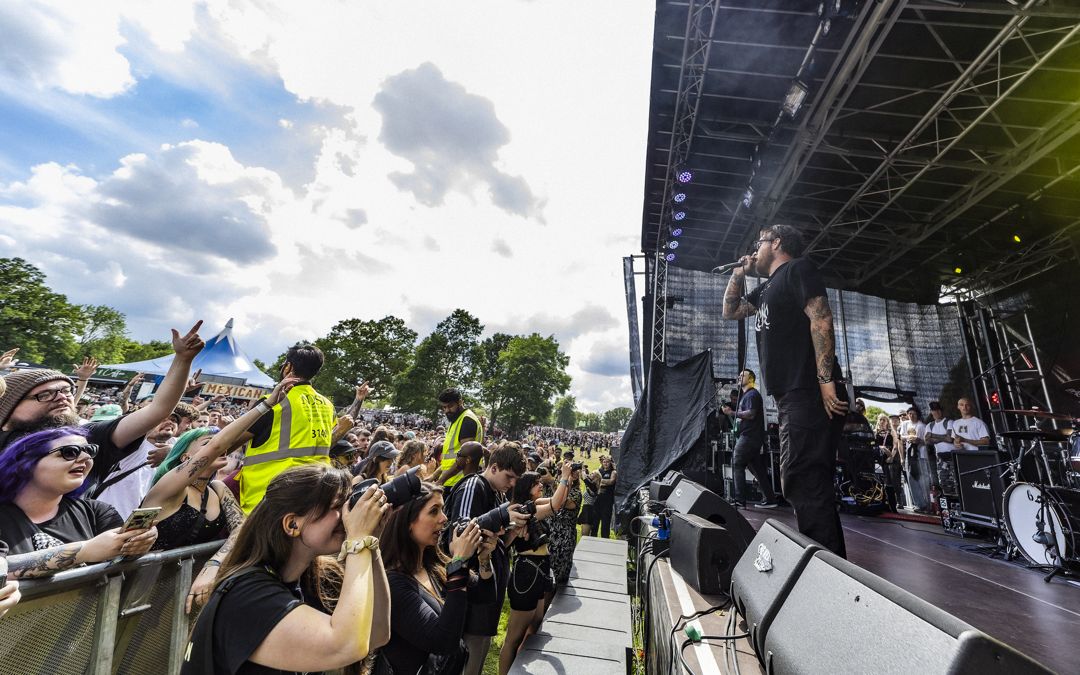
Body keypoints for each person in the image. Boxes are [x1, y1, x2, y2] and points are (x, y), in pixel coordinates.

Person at [181, 465, 391, 674]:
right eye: (337, 506)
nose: (347, 515)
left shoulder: (313, 578)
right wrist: (358, 540)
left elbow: (377, 632)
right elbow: (345, 647)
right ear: (292, 524)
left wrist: (370, 544)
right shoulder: (247, 596)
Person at [722, 223, 848, 557]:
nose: (755, 248)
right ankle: (828, 563)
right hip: (791, 395)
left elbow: (820, 320)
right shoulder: (765, 289)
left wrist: (825, 382)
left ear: (776, 243)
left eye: (758, 242)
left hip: (807, 389)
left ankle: (827, 569)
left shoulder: (797, 269)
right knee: (800, 477)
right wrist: (739, 272)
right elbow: (730, 310)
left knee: (803, 476)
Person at [0, 322, 206, 495]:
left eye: (66, 390)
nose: (62, 396)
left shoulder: (88, 439)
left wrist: (182, 359)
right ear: (9, 407)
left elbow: (157, 410)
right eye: (44, 394)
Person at [379, 484, 497, 675]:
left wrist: (484, 558)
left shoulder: (433, 565)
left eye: (442, 510)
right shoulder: (394, 583)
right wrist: (459, 561)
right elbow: (443, 641)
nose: (444, 519)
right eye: (434, 511)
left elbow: (485, 595)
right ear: (408, 521)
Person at [0, 427, 158, 568]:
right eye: (70, 452)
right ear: (25, 463)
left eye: (90, 451)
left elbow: (120, 563)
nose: (86, 458)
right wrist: (83, 552)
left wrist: (139, 542)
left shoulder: (97, 512)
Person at [442, 442, 529, 675]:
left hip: (485, 595)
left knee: (476, 660)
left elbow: (495, 541)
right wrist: (500, 515)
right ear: (493, 467)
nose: (512, 484)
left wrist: (510, 531)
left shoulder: (497, 493)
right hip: (470, 597)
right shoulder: (474, 485)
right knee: (465, 662)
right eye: (509, 476)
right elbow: (459, 531)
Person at [231, 342, 338, 514]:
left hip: (267, 500)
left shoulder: (273, 402)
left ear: (288, 367)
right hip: (310, 498)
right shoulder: (328, 405)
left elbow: (228, 445)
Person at [499, 466, 571, 675]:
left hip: (540, 569)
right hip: (526, 573)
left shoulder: (532, 504)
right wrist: (563, 476)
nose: (541, 485)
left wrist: (568, 481)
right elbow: (555, 504)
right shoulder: (521, 510)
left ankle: (520, 667)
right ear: (527, 488)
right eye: (537, 483)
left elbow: (558, 504)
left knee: (535, 624)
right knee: (514, 637)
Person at [723, 368, 778, 508]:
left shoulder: (752, 394)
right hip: (752, 437)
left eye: (743, 375)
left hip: (749, 437)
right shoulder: (746, 396)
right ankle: (770, 499)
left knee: (737, 463)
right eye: (739, 375)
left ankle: (740, 500)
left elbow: (752, 414)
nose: (740, 377)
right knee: (757, 469)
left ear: (751, 379)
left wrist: (732, 412)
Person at [434, 388, 483, 488]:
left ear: (460, 402)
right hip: (450, 481)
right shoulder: (456, 420)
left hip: (460, 483)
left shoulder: (467, 420)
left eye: (450, 406)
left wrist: (440, 481)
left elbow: (464, 459)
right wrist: (433, 476)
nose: (447, 410)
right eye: (444, 407)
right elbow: (449, 459)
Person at [546, 460, 581, 585]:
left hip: (565, 537)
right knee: (547, 573)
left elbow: (563, 502)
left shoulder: (576, 493)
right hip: (551, 534)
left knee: (560, 575)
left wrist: (567, 481)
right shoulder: (554, 488)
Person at [899, 406, 930, 511]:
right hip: (909, 455)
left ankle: (928, 504)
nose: (911, 416)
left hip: (921, 454)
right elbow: (901, 437)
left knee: (923, 480)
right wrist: (909, 438)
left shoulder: (922, 426)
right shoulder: (905, 424)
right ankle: (919, 504)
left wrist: (919, 440)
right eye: (910, 414)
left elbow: (927, 442)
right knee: (911, 479)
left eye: (913, 413)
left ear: (918, 414)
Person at [924, 401, 955, 496]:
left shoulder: (949, 422)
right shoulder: (930, 425)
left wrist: (933, 435)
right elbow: (927, 441)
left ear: (941, 411)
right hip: (940, 458)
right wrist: (943, 437)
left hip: (952, 456)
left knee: (955, 481)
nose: (936, 413)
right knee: (943, 481)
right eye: (934, 411)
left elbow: (950, 439)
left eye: (938, 410)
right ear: (931, 412)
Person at [874, 414, 903, 512]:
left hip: (889, 458)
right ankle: (880, 504)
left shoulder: (891, 432)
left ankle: (893, 507)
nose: (882, 421)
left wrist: (891, 456)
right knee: (878, 482)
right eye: (880, 419)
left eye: (884, 420)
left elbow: (895, 445)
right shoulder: (875, 432)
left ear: (887, 422)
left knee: (889, 482)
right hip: (878, 458)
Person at [594, 455, 617, 539]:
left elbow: (611, 481)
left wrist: (600, 480)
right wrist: (600, 482)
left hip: (608, 500)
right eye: (604, 462)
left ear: (610, 463)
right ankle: (593, 538)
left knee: (605, 522)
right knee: (595, 521)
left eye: (607, 462)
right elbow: (594, 482)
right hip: (598, 499)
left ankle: (605, 539)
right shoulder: (599, 470)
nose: (606, 463)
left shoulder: (613, 472)